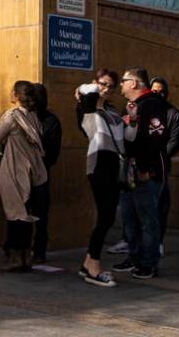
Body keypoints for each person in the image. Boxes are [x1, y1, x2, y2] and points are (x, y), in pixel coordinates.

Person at [110, 68, 171, 280]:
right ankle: (134, 257)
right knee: (129, 217)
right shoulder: (131, 107)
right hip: (128, 171)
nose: (121, 85)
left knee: (148, 218)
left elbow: (156, 138)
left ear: (134, 83)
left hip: (146, 172)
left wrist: (146, 168)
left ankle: (149, 262)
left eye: (124, 81)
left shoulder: (153, 104)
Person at [0, 80, 47, 272]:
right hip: (32, 173)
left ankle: (15, 258)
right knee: (25, 215)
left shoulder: (12, 117)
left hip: (13, 169)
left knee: (15, 215)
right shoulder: (33, 117)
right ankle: (26, 257)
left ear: (16, 96)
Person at [75, 70, 123, 288]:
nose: (107, 89)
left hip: (115, 164)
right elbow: (85, 91)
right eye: (103, 84)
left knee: (109, 216)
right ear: (95, 83)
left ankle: (87, 262)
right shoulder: (87, 106)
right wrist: (92, 88)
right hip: (98, 163)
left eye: (111, 86)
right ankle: (93, 266)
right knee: (105, 215)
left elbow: (125, 139)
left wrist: (131, 121)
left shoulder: (113, 111)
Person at [149, 77, 179, 256]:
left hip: (161, 166)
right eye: (154, 90)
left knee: (160, 205)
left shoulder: (173, 113)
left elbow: (175, 140)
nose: (158, 94)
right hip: (141, 165)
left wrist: (159, 156)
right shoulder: (142, 109)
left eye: (161, 91)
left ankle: (158, 242)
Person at [29, 82, 62, 265]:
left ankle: (34, 249)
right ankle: (31, 250)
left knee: (37, 213)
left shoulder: (49, 120)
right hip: (35, 172)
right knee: (35, 213)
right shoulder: (50, 120)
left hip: (37, 173)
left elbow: (51, 153)